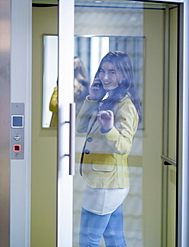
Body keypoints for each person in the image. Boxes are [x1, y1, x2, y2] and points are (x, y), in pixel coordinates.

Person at [76, 51, 141, 247]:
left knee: (88, 241)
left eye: (112, 72)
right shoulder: (105, 100)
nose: (105, 77)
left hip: (107, 185)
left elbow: (124, 147)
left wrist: (109, 129)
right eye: (102, 71)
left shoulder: (125, 106)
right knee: (114, 239)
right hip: (104, 182)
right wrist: (92, 98)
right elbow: (80, 127)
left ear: (124, 75)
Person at [49, 56, 90, 127]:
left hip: (72, 128)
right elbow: (53, 106)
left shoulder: (82, 87)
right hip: (59, 128)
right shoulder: (64, 84)